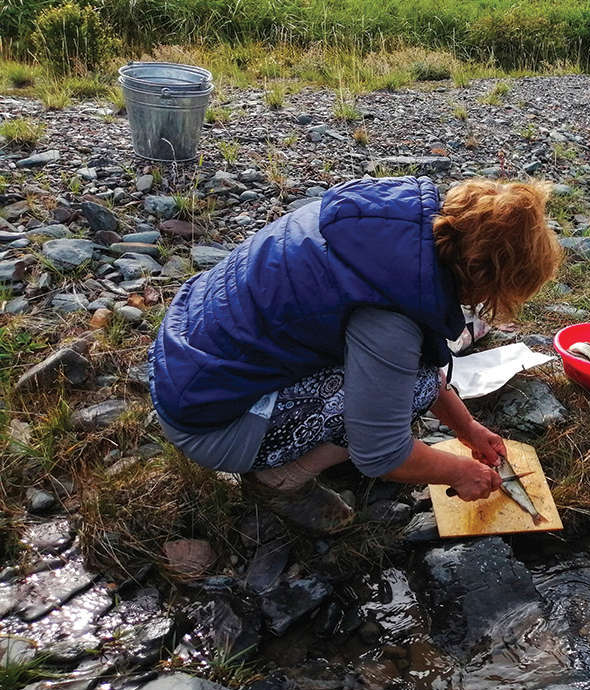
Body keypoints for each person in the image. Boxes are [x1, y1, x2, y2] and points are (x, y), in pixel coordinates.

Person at [149, 175, 562, 533]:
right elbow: (381, 451)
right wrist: (460, 471)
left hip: (184, 359)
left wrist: (468, 428)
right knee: (411, 389)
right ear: (483, 275)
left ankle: (302, 442)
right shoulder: (388, 318)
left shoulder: (384, 227)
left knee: (405, 379)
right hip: (209, 423)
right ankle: (279, 478)